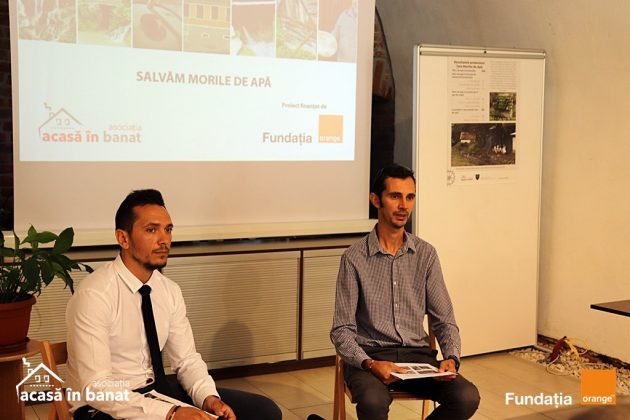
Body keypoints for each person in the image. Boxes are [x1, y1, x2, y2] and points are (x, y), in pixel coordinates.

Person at [66, 189, 282, 420]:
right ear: (123, 238)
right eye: (151, 230)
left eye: (168, 229)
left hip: (156, 393)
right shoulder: (95, 295)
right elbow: (97, 387)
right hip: (103, 406)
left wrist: (208, 398)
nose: (164, 240)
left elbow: (187, 360)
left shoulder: (169, 290)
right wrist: (171, 413)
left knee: (265, 412)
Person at [330, 164, 480, 420]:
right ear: (376, 199)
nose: (403, 206)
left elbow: (444, 320)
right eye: (395, 196)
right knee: (373, 401)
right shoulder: (353, 258)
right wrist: (370, 363)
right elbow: (341, 330)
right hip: (371, 357)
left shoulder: (426, 254)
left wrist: (452, 357)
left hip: (417, 358)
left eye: (410, 197)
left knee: (466, 397)